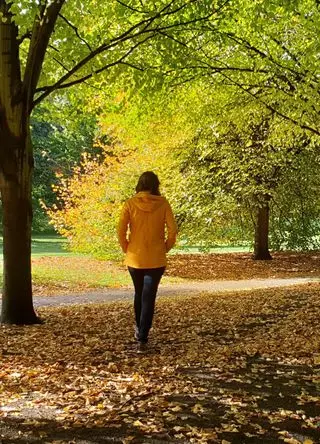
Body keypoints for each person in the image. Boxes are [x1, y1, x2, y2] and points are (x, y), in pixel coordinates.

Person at [117, 171, 178, 352]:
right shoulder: (163, 203)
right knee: (149, 296)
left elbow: (120, 230)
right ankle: (143, 334)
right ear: (155, 185)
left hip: (135, 257)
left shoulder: (130, 203)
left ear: (139, 184)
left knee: (139, 293)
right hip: (156, 257)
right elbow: (173, 230)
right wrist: (165, 247)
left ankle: (139, 329)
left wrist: (126, 247)